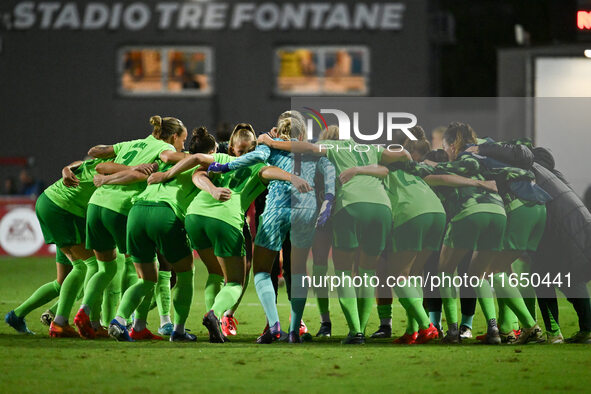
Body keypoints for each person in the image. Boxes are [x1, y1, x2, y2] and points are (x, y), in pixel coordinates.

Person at [257, 125, 440, 344]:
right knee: (367, 273)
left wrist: (272, 142)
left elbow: (305, 147)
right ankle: (401, 326)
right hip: (382, 207)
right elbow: (399, 155)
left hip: (350, 206)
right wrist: (407, 157)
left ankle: (353, 331)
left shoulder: (333, 147)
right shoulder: (371, 148)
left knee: (342, 273)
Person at [208, 113, 336, 343]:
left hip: (276, 210)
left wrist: (224, 166)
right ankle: (295, 331)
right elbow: (330, 172)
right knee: (297, 272)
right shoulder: (314, 151)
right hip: (305, 212)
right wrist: (328, 200)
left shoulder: (269, 147)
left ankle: (274, 325)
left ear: (280, 130)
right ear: (302, 132)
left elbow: (251, 157)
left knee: (261, 272)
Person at [183, 124, 311, 343]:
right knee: (235, 282)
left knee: (214, 273)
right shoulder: (258, 165)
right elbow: (270, 172)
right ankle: (215, 314)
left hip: (194, 217)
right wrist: (293, 178)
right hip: (226, 220)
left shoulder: (221, 159)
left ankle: (213, 325)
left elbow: (197, 170)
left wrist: (211, 189)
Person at [73, 115, 188, 339]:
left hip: (95, 205)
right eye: (182, 140)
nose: (183, 145)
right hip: (120, 209)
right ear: (174, 137)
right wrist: (202, 157)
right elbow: (176, 157)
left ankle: (85, 313)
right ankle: (134, 324)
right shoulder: (164, 149)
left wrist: (120, 169)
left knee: (104, 268)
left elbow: (96, 154)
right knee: (145, 271)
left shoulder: (130, 144)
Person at [106, 127, 217, 342]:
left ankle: (120, 321)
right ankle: (179, 330)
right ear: (210, 152)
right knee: (186, 274)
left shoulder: (167, 158)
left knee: (146, 279)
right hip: (165, 213)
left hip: (137, 213)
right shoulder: (205, 165)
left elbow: (165, 155)